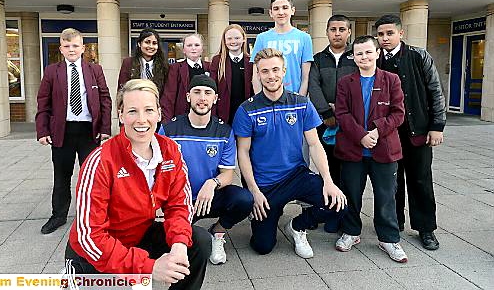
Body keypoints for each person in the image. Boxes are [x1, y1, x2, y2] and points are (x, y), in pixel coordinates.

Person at [65, 79, 211, 289]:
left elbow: (180, 205)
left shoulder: (171, 151)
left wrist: (179, 244)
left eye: (149, 110)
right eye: (132, 111)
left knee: (199, 241)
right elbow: (91, 236)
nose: (141, 120)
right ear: (122, 115)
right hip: (93, 254)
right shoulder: (100, 160)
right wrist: (149, 267)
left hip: (139, 234)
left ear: (159, 114)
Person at [233, 48, 346, 258]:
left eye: (276, 69)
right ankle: (270, 213)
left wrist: (328, 181)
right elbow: (243, 153)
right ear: (258, 74)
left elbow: (314, 145)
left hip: (296, 176)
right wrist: (254, 192)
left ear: (284, 71)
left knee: (338, 205)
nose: (271, 75)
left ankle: (297, 226)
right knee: (263, 247)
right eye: (264, 71)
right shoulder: (246, 109)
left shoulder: (301, 103)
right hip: (266, 184)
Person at [159, 74, 253, 265]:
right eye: (197, 92)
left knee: (244, 199)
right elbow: (159, 172)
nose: (202, 98)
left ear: (215, 99)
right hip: (179, 201)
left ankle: (217, 232)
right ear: (188, 96)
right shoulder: (169, 130)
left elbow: (227, 174)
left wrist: (212, 183)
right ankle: (183, 229)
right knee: (173, 248)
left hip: (208, 198)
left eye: (208, 93)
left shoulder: (224, 131)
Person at [334, 35, 408, 263]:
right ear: (353, 57)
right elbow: (341, 113)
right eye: (359, 53)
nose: (364, 57)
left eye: (368, 52)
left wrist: (376, 132)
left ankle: (389, 238)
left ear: (377, 53)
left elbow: (398, 113)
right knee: (351, 194)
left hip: (384, 149)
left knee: (386, 196)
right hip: (354, 150)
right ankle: (351, 232)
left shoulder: (391, 79)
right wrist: (361, 136)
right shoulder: (346, 82)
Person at [375, 14, 446, 250]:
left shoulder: (418, 56)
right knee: (392, 182)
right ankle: (394, 223)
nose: (385, 39)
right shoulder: (374, 60)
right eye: (381, 34)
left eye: (389, 33)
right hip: (388, 135)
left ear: (400, 33)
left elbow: (435, 91)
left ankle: (426, 228)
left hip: (418, 131)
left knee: (421, 180)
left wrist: (437, 126)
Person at [36, 28, 112, 235]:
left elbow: (105, 99)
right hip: (63, 131)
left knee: (92, 176)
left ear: (83, 48)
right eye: (67, 46)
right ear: (61, 48)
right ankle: (58, 215)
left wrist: (105, 128)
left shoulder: (94, 70)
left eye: (75, 46)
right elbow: (43, 102)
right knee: (62, 176)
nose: (71, 49)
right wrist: (42, 130)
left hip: (89, 131)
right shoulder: (52, 71)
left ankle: (93, 215)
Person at [308, 14, 358, 186]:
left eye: (342, 30)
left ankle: (349, 209)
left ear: (349, 32)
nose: (337, 34)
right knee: (328, 166)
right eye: (333, 30)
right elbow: (313, 87)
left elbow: (362, 84)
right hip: (326, 122)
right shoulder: (318, 59)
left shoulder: (358, 56)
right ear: (327, 32)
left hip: (352, 120)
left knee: (351, 170)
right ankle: (329, 206)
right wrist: (326, 112)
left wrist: (345, 110)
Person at [250, 0, 313, 96]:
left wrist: (300, 102)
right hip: (267, 99)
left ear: (292, 10)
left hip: (294, 98)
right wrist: (261, 101)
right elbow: (256, 76)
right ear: (271, 13)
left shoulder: (304, 38)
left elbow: (305, 77)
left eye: (285, 8)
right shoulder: (262, 38)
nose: (280, 12)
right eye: (276, 8)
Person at [210, 24, 254, 125]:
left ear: (243, 39)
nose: (233, 41)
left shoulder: (251, 62)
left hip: (246, 113)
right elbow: (212, 89)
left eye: (237, 38)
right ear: (224, 41)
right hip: (224, 114)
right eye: (229, 38)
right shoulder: (217, 61)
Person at [161, 33, 211, 122]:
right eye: (189, 45)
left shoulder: (210, 67)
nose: (193, 48)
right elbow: (169, 97)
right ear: (184, 50)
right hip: (182, 119)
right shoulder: (175, 68)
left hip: (206, 119)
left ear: (202, 49)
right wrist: (167, 123)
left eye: (197, 45)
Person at [117, 28, 169, 94]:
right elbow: (122, 89)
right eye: (147, 42)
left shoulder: (164, 66)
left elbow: (167, 92)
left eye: (154, 43)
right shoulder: (128, 63)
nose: (151, 46)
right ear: (139, 44)